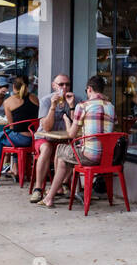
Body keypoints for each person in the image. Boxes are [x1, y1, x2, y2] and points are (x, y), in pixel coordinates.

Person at [41, 75, 115, 209]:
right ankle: (62, 189)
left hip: (90, 156)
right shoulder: (111, 107)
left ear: (90, 89)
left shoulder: (83, 106)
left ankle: (52, 195)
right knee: (69, 153)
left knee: (61, 151)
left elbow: (71, 134)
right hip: (108, 158)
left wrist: (67, 121)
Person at [29, 73, 77, 203]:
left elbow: (75, 126)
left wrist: (72, 106)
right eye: (61, 84)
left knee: (71, 148)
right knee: (47, 148)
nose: (64, 87)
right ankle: (38, 188)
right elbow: (46, 127)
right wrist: (53, 106)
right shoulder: (46, 100)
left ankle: (62, 185)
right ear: (54, 86)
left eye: (67, 84)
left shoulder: (75, 99)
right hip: (45, 137)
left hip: (63, 139)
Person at [0, 75, 38, 186]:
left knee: (0, 137)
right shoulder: (35, 98)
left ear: (13, 87)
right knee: (11, 136)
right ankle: (15, 168)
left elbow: (12, 125)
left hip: (21, 139)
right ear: (28, 86)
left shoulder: (8, 101)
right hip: (34, 139)